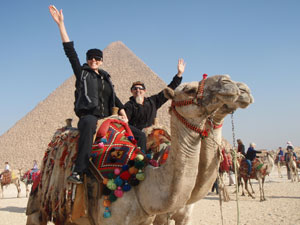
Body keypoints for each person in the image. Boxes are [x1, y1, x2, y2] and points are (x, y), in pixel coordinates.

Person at [49, 5, 128, 184]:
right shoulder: (82, 73)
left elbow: (113, 97)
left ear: (101, 61)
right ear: (87, 60)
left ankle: (138, 167)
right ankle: (79, 170)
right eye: (91, 58)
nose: (94, 60)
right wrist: (61, 25)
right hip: (89, 115)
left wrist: (122, 110)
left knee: (137, 134)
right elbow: (70, 52)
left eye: (97, 58)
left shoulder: (106, 78)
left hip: (108, 116)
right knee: (90, 124)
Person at [124, 59, 185, 151]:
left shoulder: (153, 101)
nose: (138, 90)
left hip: (153, 133)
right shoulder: (129, 106)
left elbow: (169, 89)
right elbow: (126, 123)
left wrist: (179, 74)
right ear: (131, 91)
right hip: (137, 135)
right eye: (135, 88)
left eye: (140, 88)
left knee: (167, 142)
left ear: (145, 91)